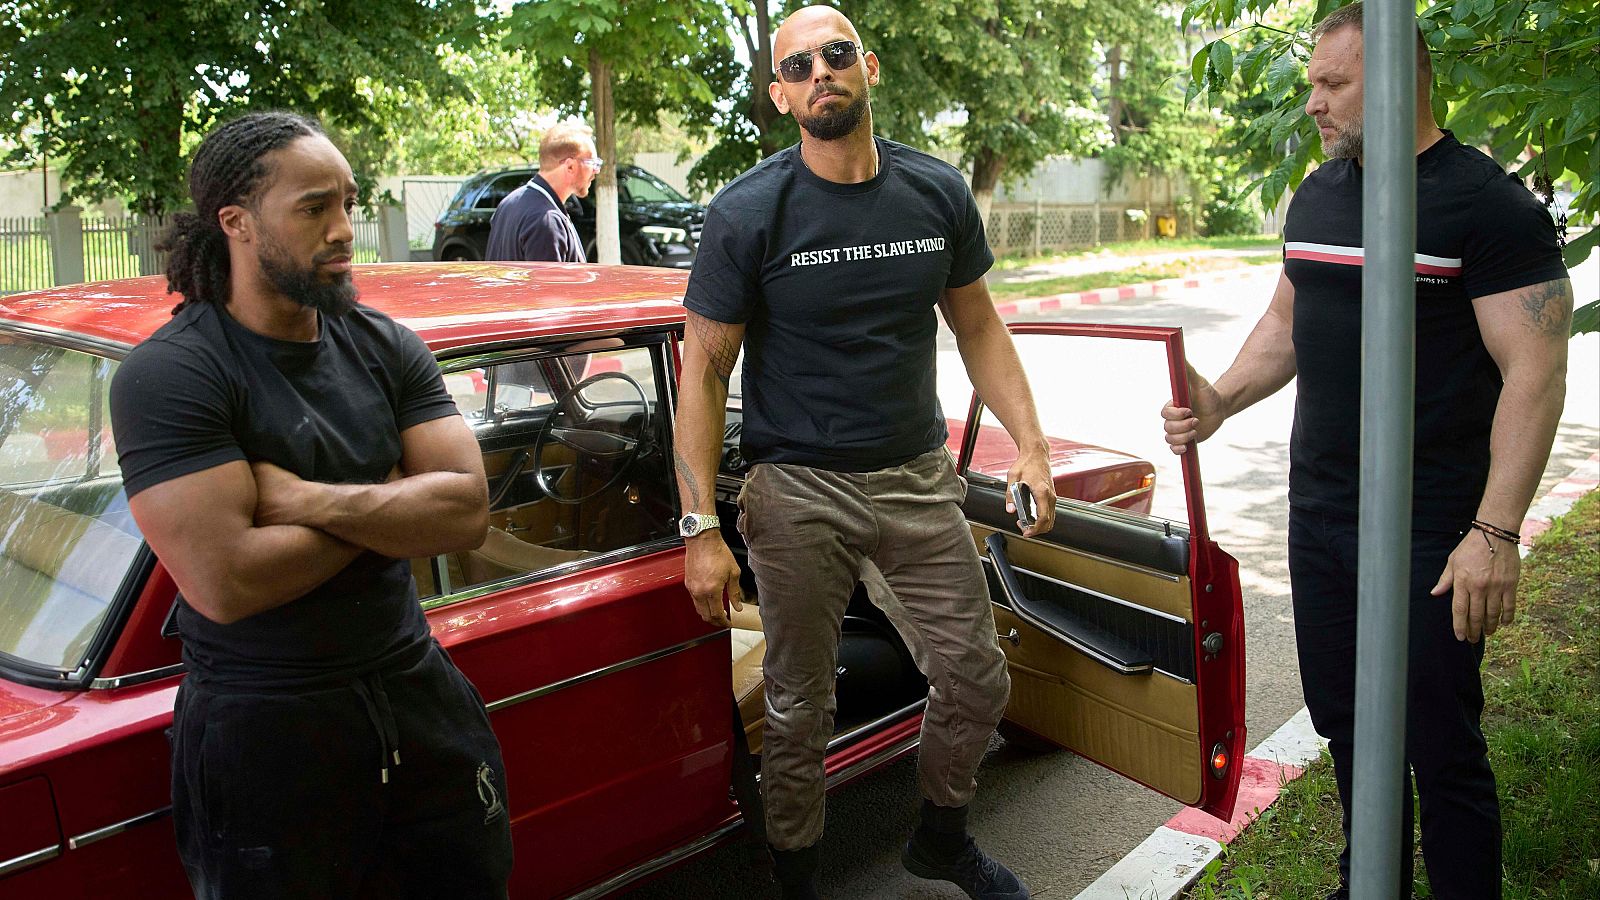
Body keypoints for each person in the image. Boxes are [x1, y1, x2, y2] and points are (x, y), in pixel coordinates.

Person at [1161, 5, 1572, 898]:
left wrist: (1494, 533)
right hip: (1323, 515)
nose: (1312, 102)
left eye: (1332, 84)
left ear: (1399, 79)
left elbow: (1534, 374)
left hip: (1435, 526)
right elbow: (1287, 324)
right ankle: (1370, 884)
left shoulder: (1487, 206)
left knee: (1438, 738)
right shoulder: (1321, 193)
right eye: (1312, 81)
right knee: (1345, 722)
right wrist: (1221, 399)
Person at [673, 7, 1058, 900]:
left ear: (869, 67)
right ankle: (798, 880)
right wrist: (699, 525)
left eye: (836, 54)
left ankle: (941, 837)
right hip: (796, 491)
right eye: (798, 65)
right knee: (800, 709)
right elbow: (703, 371)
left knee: (976, 678)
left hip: (918, 482)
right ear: (780, 96)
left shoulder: (935, 193)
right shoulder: (747, 214)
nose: (820, 73)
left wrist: (1033, 449)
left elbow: (978, 326)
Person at [109, 112, 513, 899]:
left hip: (418, 697)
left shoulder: (385, 344)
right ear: (237, 222)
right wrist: (396, 507)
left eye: (350, 203)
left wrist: (303, 500)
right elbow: (227, 581)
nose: (344, 229)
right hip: (266, 733)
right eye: (314, 207)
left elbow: (466, 514)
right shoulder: (172, 377)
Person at [485, 122, 601, 262]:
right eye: (592, 163)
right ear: (570, 166)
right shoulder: (547, 220)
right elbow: (550, 284)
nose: (596, 171)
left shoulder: (508, 204)